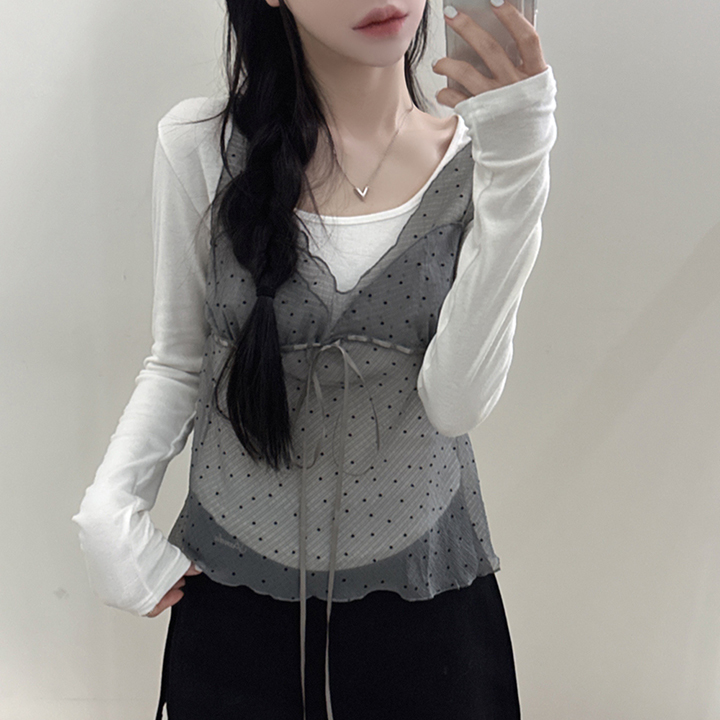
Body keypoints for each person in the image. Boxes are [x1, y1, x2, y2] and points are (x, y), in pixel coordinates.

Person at [72, 0, 557, 717]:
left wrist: (520, 159)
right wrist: (111, 506)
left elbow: (455, 403)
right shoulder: (200, 145)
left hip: (424, 598)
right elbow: (182, 359)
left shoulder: (482, 157)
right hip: (239, 594)